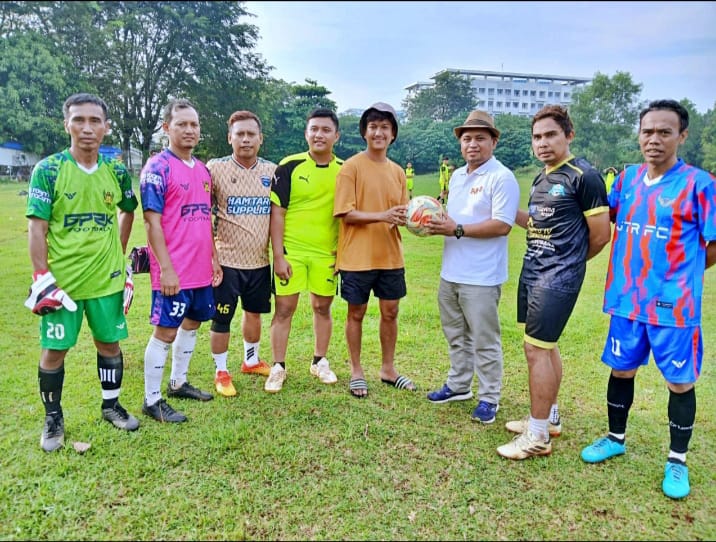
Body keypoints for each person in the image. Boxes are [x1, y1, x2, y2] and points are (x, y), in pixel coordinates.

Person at [580, 100, 716, 499]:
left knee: (679, 381)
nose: (654, 139)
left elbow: (713, 243)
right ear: (639, 135)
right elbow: (605, 220)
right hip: (627, 299)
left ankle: (677, 460)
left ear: (682, 136)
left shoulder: (700, 184)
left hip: (674, 306)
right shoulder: (626, 179)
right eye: (648, 131)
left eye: (664, 132)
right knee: (621, 370)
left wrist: (682, 275)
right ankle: (614, 437)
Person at [25, 93, 139, 452]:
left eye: (94, 121)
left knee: (109, 344)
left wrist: (119, 256)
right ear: (67, 125)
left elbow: (128, 209)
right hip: (64, 285)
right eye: (79, 120)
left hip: (106, 280)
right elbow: (37, 227)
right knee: (54, 350)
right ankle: (53, 418)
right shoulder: (48, 170)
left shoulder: (116, 171)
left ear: (106, 127)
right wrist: (42, 278)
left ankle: (111, 406)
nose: (87, 128)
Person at [497, 104, 611, 459]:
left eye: (550, 135)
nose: (542, 143)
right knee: (545, 346)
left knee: (535, 350)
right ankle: (550, 417)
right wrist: (500, 210)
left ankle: (537, 436)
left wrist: (568, 263)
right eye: (537, 137)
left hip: (556, 277)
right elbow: (536, 223)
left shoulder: (584, 176)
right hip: (533, 270)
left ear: (568, 135)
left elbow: (600, 235)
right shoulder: (541, 177)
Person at [424, 110, 520, 424]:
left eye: (480, 138)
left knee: (484, 339)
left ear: (494, 142)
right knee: (455, 334)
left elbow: (503, 225)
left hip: (482, 277)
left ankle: (489, 397)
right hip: (450, 272)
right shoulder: (457, 176)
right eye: (467, 138)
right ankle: (459, 385)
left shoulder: (501, 177)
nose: (472, 144)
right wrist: (429, 221)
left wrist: (456, 229)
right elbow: (453, 219)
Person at [139, 98, 223, 423]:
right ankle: (152, 400)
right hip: (173, 272)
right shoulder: (157, 168)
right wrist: (166, 270)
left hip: (201, 270)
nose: (189, 130)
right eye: (182, 124)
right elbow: (151, 223)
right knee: (165, 332)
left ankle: (178, 382)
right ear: (166, 128)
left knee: (192, 324)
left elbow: (204, 219)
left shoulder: (202, 170)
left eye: (194, 124)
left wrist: (214, 259)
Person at [334, 102, 416, 398]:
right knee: (356, 313)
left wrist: (417, 218)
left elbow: (401, 214)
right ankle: (356, 371)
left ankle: (388, 369)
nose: (378, 132)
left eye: (384, 127)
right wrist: (382, 215)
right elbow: (345, 213)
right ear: (364, 132)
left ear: (393, 134)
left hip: (390, 255)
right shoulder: (351, 167)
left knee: (390, 312)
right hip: (357, 257)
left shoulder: (398, 172)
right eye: (373, 127)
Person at [266, 108, 344, 393]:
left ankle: (319, 361)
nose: (319, 134)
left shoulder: (345, 170)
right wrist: (278, 256)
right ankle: (278, 366)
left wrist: (342, 254)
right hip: (292, 252)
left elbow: (346, 216)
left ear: (336, 136)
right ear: (306, 133)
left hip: (326, 254)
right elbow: (277, 214)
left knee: (322, 307)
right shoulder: (289, 166)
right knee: (284, 309)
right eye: (314, 129)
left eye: (326, 130)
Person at [207, 110, 276, 397]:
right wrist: (212, 258)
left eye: (251, 134)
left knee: (254, 312)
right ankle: (221, 371)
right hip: (226, 261)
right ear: (230, 138)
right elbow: (203, 215)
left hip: (259, 261)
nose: (245, 139)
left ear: (261, 138)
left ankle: (251, 360)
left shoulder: (272, 171)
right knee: (222, 318)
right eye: (240, 134)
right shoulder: (215, 169)